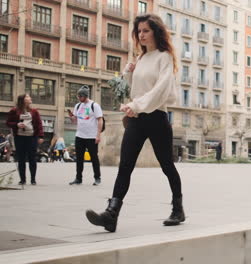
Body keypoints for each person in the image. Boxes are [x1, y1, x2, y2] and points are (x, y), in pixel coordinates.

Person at [85, 14, 184, 232]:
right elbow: (134, 90)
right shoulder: (140, 58)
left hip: (156, 117)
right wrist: (128, 73)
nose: (141, 35)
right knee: (125, 166)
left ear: (156, 32)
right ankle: (111, 214)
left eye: (146, 30)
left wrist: (137, 105)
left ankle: (178, 209)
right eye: (139, 31)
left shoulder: (164, 57)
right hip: (137, 118)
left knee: (167, 165)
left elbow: (161, 90)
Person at [67, 85, 104, 186]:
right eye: (78, 97)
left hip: (91, 136)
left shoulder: (94, 105)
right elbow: (75, 121)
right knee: (79, 158)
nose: (79, 98)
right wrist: (71, 117)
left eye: (80, 96)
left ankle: (97, 178)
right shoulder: (78, 106)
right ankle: (78, 178)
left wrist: (98, 135)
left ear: (85, 96)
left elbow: (100, 120)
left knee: (94, 158)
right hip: (80, 135)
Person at [6, 94, 44, 185]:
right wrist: (16, 124)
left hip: (32, 137)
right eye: (28, 97)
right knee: (21, 159)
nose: (30, 98)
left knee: (32, 158)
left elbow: (39, 124)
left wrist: (41, 136)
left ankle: (33, 179)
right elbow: (8, 122)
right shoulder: (14, 111)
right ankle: (22, 180)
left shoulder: (34, 112)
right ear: (23, 100)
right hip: (19, 137)